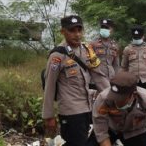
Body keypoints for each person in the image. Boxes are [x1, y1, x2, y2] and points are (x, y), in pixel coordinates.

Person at [42, 15, 110, 146]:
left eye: (79, 30)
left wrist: (112, 98)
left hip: (88, 107)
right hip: (71, 112)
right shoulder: (57, 55)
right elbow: (49, 86)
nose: (77, 34)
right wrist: (48, 116)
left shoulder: (86, 50)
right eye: (72, 31)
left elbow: (98, 76)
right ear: (63, 32)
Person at [91, 71, 146, 146]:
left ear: (133, 94)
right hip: (111, 128)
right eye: (113, 97)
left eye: (120, 99)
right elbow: (100, 129)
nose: (116, 101)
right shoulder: (103, 99)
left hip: (137, 131)